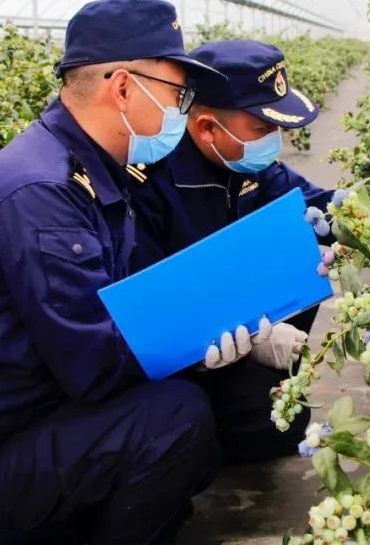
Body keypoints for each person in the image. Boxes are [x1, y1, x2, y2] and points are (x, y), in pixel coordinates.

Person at [0, 0, 265, 545]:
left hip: (22, 419)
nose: (181, 109)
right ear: (124, 87)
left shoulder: (93, 171)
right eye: (178, 95)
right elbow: (97, 363)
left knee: (212, 410)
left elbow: (127, 298)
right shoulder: (40, 193)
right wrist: (204, 336)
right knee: (174, 420)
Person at [127, 39, 338, 466]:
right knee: (210, 430)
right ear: (206, 128)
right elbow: (145, 311)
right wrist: (217, 342)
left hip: (239, 329)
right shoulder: (151, 183)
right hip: (183, 356)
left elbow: (318, 208)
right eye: (261, 130)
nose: (273, 141)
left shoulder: (251, 163)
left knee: (283, 424)